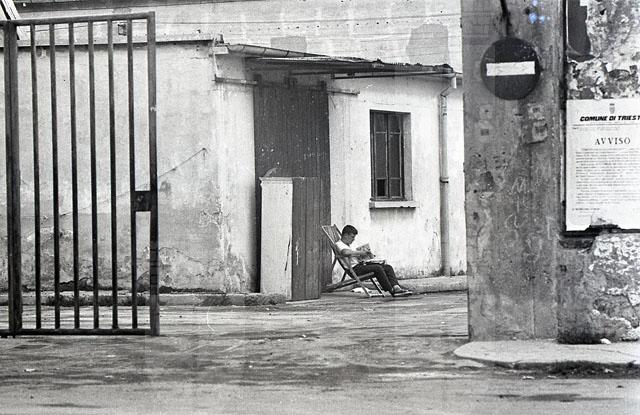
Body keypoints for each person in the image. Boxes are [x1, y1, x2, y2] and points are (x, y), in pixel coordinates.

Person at [335, 224, 412, 297]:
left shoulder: (350, 244)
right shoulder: (339, 244)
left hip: (361, 265)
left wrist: (367, 256)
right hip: (354, 269)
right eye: (352, 237)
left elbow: (354, 253)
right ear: (345, 235)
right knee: (378, 268)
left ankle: (396, 287)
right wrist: (361, 253)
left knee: (388, 267)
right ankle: (391, 290)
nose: (353, 239)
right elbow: (345, 252)